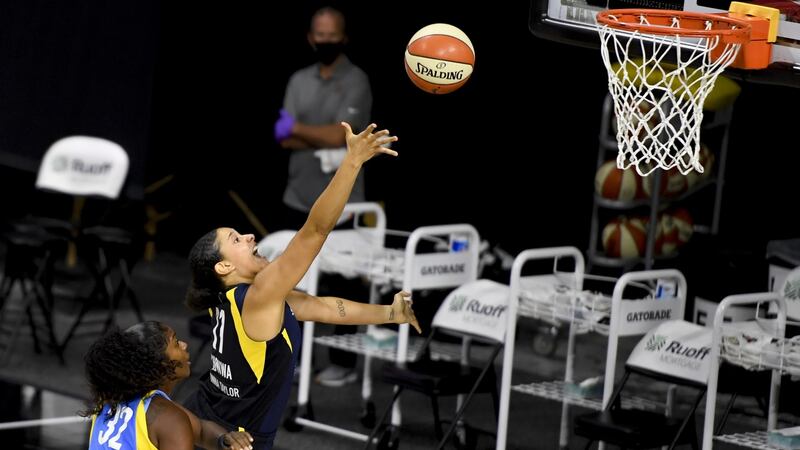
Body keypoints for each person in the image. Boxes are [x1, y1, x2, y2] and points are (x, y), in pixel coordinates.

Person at [184, 122, 419, 450]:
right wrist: (352, 161)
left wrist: (390, 313)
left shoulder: (228, 297)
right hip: (231, 438)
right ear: (224, 267)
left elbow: (322, 307)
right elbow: (315, 231)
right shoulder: (259, 294)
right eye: (236, 239)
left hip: (201, 421)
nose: (250, 236)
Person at [273, 6, 376, 386]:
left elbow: (343, 137)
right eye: (320, 35)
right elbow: (282, 137)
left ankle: (343, 361)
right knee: (288, 280)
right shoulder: (299, 79)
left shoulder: (357, 80)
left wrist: (300, 128)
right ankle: (288, 357)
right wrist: (305, 132)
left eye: (333, 36)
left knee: (342, 283)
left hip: (342, 203)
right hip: (297, 197)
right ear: (310, 38)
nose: (326, 42)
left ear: (344, 38)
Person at [84, 321, 253, 450]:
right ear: (161, 365)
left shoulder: (108, 402)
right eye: (176, 342)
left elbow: (200, 429)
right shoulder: (168, 420)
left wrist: (223, 439)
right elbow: (183, 424)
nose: (184, 345)